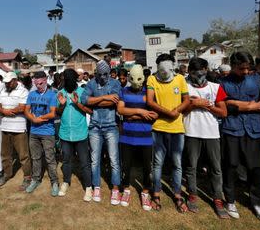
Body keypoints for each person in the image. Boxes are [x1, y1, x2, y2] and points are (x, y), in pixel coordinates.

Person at [220, 52, 260, 223]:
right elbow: (224, 106)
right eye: (242, 69)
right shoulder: (223, 82)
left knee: (256, 168)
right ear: (233, 66)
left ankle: (256, 202)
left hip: (253, 130)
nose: (246, 72)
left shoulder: (255, 79)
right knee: (231, 165)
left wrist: (236, 104)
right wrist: (248, 106)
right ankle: (231, 200)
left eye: (248, 68)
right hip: (232, 129)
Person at [182, 58, 229, 218]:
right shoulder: (185, 86)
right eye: (193, 72)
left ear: (206, 69)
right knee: (191, 166)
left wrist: (206, 105)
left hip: (212, 133)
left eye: (200, 71)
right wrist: (194, 104)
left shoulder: (216, 87)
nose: (197, 75)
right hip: (191, 131)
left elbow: (223, 112)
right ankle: (192, 194)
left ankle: (217, 198)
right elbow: (181, 110)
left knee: (216, 168)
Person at [146, 53, 190, 213]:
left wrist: (176, 111)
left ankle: (177, 194)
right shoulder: (152, 79)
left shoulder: (180, 79)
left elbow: (186, 100)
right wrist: (168, 113)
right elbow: (149, 101)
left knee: (177, 163)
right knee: (158, 163)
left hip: (177, 129)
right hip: (158, 127)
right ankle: (156, 193)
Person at [117, 64, 157, 211]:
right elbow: (120, 109)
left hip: (145, 137)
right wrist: (140, 111)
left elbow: (153, 114)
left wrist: (130, 115)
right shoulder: (123, 91)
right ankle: (126, 189)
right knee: (126, 165)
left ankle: (145, 191)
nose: (136, 82)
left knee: (147, 167)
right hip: (127, 136)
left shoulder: (149, 93)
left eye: (139, 79)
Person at [81, 60, 121, 205]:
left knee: (114, 159)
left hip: (111, 126)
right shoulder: (92, 83)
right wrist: (104, 97)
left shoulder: (115, 83)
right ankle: (96, 186)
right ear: (97, 73)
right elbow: (84, 100)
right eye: (100, 74)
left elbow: (114, 102)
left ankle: (115, 188)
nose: (103, 77)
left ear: (109, 72)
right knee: (95, 160)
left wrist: (95, 100)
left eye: (106, 74)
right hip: (95, 127)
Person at [56, 69, 93, 200]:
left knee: (84, 162)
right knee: (66, 160)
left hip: (80, 133)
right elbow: (58, 113)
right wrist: (61, 105)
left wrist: (77, 104)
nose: (67, 82)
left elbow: (90, 111)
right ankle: (66, 182)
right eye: (65, 79)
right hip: (65, 134)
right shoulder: (61, 93)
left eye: (69, 79)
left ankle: (88, 187)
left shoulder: (82, 92)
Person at [24, 71, 59, 196]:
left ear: (45, 81)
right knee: (35, 157)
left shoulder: (52, 95)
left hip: (47, 132)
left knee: (50, 158)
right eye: (36, 83)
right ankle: (35, 180)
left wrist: (39, 118)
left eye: (40, 83)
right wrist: (32, 119)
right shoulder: (31, 94)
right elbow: (26, 110)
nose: (38, 86)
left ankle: (54, 182)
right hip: (34, 131)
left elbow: (52, 113)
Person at [0, 72, 31, 188]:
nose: (7, 84)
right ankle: (7, 173)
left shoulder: (23, 91)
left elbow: (22, 107)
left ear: (15, 80)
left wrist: (8, 111)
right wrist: (4, 111)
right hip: (5, 126)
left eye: (9, 82)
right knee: (5, 153)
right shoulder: (3, 91)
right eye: (6, 82)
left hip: (19, 128)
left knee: (23, 155)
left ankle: (27, 177)